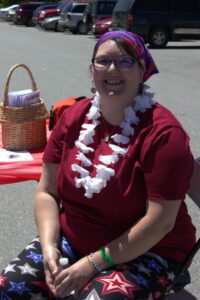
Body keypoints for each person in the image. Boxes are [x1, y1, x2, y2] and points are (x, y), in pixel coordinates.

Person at [0, 31, 196, 300]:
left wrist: (92, 264)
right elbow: (47, 192)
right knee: (8, 288)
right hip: (73, 241)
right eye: (103, 61)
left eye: (125, 62)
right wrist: (48, 248)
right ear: (92, 71)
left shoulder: (163, 134)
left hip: (150, 250)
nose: (112, 69)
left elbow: (159, 222)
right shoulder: (72, 118)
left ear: (142, 72)